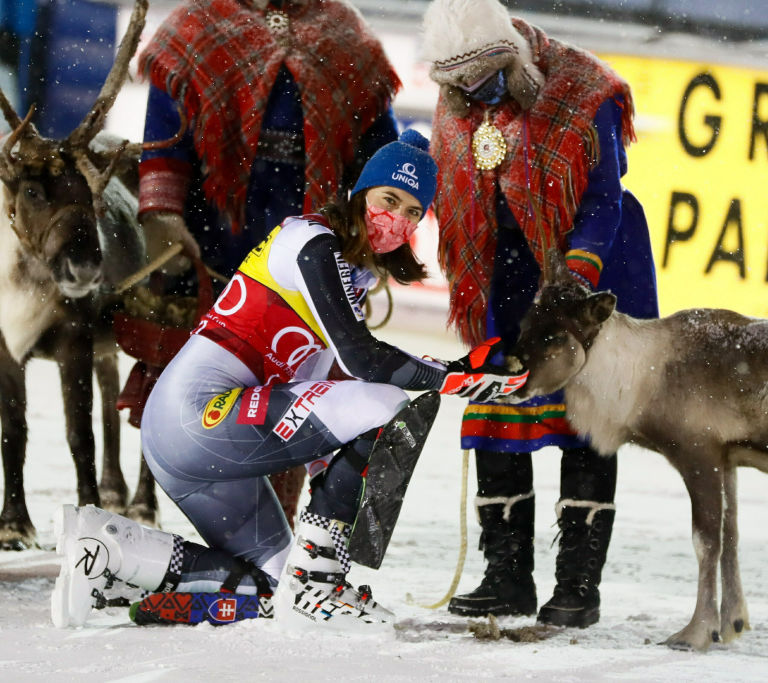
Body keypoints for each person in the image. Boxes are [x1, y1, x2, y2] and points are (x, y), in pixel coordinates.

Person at [51, 130, 528, 631]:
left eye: (412, 212)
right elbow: (364, 362)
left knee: (272, 588)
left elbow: (328, 408)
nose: (398, 219)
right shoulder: (312, 241)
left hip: (203, 439)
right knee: (386, 402)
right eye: (390, 199)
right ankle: (318, 582)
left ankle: (109, 561)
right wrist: (449, 375)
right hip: (195, 417)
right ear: (360, 193)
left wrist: (335, 509)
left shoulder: (349, 276)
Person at [420, 0, 659, 629]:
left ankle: (578, 585)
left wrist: (572, 283)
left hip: (592, 265)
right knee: (498, 402)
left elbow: (604, 201)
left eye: (487, 79)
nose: (476, 94)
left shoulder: (586, 91)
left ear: (512, 55)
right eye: (462, 87)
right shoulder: (456, 96)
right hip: (503, 274)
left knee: (588, 416)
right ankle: (507, 578)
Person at [127, 0, 403, 519]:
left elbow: (377, 150)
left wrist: (375, 232)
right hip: (215, 235)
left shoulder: (346, 37)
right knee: (204, 380)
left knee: (298, 383)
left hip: (309, 243)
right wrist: (162, 214)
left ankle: (275, 519)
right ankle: (206, 509)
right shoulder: (197, 27)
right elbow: (166, 138)